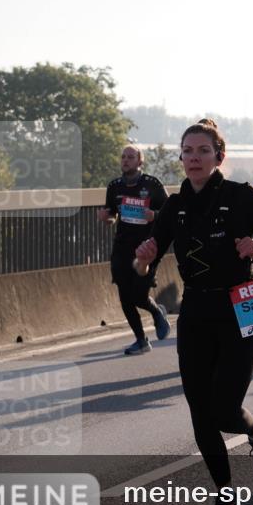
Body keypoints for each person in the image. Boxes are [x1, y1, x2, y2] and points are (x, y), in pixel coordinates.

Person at [133, 119, 253, 505]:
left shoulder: (242, 196)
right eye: (187, 151)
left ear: (219, 157)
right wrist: (144, 257)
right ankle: (225, 495)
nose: (194, 158)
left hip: (242, 303)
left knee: (224, 408)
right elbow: (141, 268)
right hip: (197, 310)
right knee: (199, 411)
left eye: (203, 150)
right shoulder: (175, 204)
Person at [98, 145, 171, 355]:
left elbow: (169, 213)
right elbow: (112, 215)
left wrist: (154, 216)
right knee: (125, 297)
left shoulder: (152, 185)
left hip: (146, 249)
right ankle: (141, 340)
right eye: (123, 157)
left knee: (139, 296)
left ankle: (156, 311)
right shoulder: (114, 186)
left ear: (140, 162)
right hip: (122, 248)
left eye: (131, 157)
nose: (125, 160)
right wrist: (106, 218)